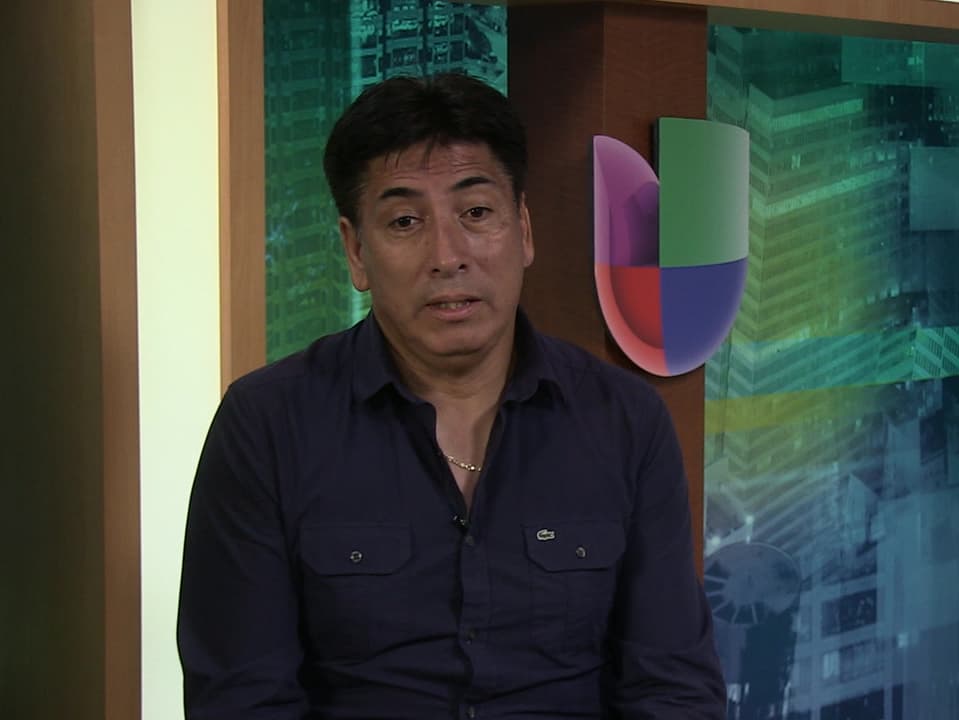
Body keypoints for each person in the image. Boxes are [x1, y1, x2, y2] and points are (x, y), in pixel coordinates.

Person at [177, 73, 726, 719]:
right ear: (356, 251)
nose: (448, 254)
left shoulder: (624, 420)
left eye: (476, 213)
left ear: (523, 229)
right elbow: (241, 700)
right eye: (405, 221)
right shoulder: (266, 424)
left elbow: (672, 688)